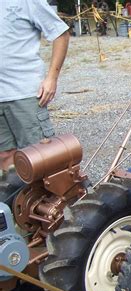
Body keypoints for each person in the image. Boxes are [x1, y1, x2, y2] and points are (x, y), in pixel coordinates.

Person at [0, 0, 69, 175]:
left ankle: (51, 202)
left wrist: (52, 78)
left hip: (25, 93)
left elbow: (61, 34)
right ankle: (18, 201)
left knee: (41, 159)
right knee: (5, 156)